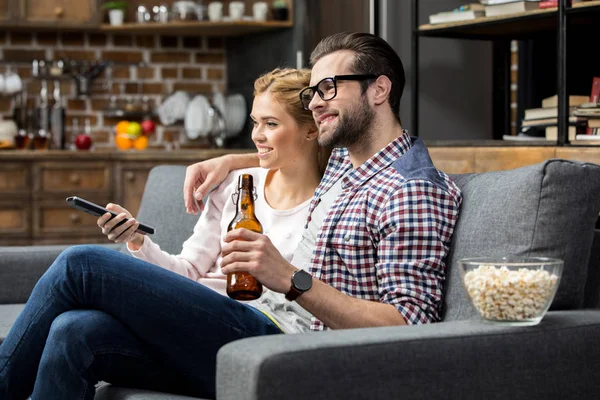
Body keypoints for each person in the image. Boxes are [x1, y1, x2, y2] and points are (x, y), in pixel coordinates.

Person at [0, 68, 327, 399]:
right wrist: (137, 240)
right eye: (255, 122)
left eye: (270, 124)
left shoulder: (332, 204)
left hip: (259, 333)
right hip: (195, 327)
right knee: (72, 331)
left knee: (79, 264)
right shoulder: (234, 185)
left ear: (312, 130)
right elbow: (186, 271)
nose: (257, 134)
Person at [185, 32, 463, 331]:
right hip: (259, 316)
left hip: (286, 342)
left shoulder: (410, 191)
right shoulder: (346, 159)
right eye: (313, 92)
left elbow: (410, 323)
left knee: (126, 276)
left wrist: (289, 277)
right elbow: (291, 148)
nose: (315, 103)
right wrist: (228, 161)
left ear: (379, 89)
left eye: (329, 88)